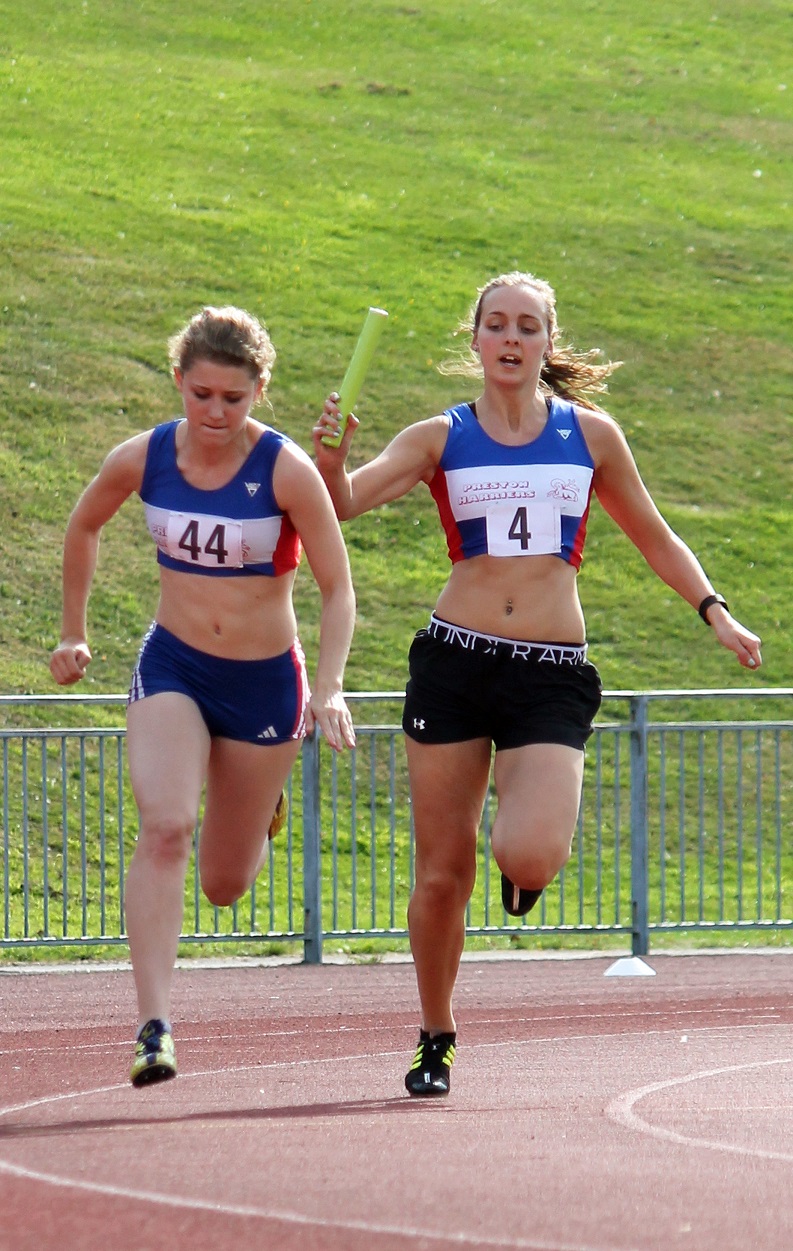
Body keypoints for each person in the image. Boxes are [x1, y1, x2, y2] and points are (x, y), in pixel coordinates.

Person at [312, 271, 762, 1098]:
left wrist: (715, 611)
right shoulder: (437, 438)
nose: (511, 339)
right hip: (453, 662)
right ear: (476, 340)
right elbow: (338, 505)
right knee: (441, 871)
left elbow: (655, 536)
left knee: (527, 852)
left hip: (550, 672)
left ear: (547, 343)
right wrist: (331, 461)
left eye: (527, 326)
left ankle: (520, 866)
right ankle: (435, 1033)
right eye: (496, 325)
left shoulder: (590, 437)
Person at [50, 305, 356, 1087]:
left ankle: (260, 805)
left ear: (259, 390)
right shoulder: (144, 456)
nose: (216, 413)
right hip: (175, 666)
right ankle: (153, 1025)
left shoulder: (284, 470)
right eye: (202, 395)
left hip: (263, 682)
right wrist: (73, 631)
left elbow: (336, 585)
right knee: (164, 826)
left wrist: (328, 689)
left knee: (224, 884)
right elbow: (83, 524)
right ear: (179, 382)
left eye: (234, 398)